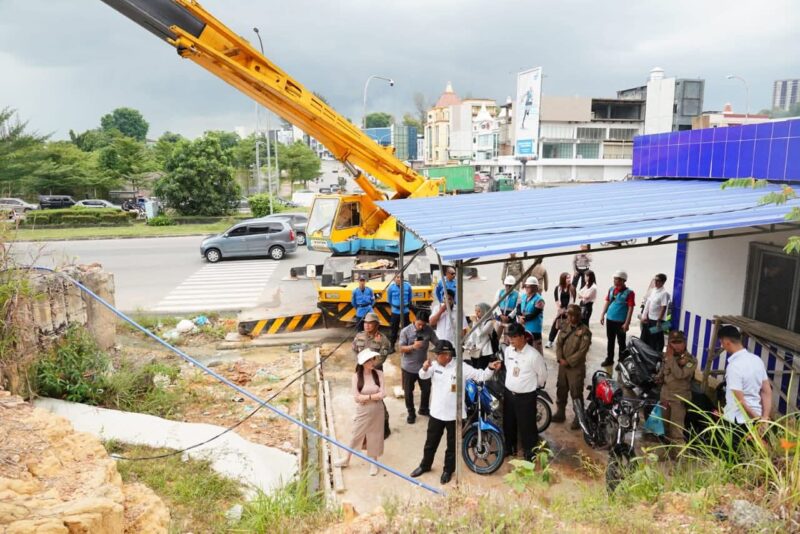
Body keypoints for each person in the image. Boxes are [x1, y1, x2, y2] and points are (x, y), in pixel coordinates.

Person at [410, 340, 500, 484]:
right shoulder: (434, 365)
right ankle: (425, 465)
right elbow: (423, 376)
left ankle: (448, 471)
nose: (435, 357)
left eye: (438, 354)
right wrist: (425, 368)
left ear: (447, 355)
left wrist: (489, 367)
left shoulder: (461, 367)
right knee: (430, 443)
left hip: (454, 415)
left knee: (452, 446)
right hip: (437, 413)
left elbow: (481, 376)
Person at [334, 349, 386, 476]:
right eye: (369, 360)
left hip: (377, 410)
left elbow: (384, 393)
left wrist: (367, 398)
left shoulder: (379, 374)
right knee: (356, 434)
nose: (372, 362)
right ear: (363, 363)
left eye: (373, 359)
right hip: (363, 411)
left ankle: (374, 462)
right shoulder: (356, 376)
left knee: (375, 435)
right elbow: (357, 398)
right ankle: (346, 459)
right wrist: (373, 396)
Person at [720, 325, 772, 450]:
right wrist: (764, 418)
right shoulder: (757, 360)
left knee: (733, 459)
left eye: (721, 343)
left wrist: (757, 420)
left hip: (737, 422)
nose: (722, 347)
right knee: (753, 458)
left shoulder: (734, 366)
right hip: (757, 417)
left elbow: (740, 401)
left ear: (727, 342)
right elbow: (767, 391)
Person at [501, 323, 548, 460]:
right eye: (510, 337)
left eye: (514, 337)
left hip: (526, 397)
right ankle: (510, 448)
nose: (511, 340)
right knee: (508, 424)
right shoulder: (508, 351)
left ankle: (530, 453)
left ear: (523, 337)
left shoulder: (534, 355)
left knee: (527, 427)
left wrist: (531, 386)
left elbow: (542, 376)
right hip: (509, 394)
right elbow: (508, 366)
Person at [352, 312, 392, 438]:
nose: (367, 325)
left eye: (370, 323)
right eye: (365, 323)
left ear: (377, 325)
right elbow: (354, 349)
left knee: (377, 399)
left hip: (374, 375)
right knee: (361, 399)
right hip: (360, 373)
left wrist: (368, 366)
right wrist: (360, 364)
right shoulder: (359, 336)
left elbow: (382, 358)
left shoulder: (383, 340)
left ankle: (384, 426)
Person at [553, 304, 591, 429]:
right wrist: (559, 358)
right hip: (563, 365)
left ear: (578, 316)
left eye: (572, 315)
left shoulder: (585, 331)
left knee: (576, 392)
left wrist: (568, 361)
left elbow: (582, 351)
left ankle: (578, 417)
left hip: (575, 367)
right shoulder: (565, 326)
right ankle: (560, 412)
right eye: (568, 315)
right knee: (561, 389)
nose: (569, 317)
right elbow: (558, 343)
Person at [655, 330, 697, 443]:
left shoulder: (691, 360)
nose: (676, 345)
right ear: (669, 344)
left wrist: (670, 359)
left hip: (679, 399)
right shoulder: (668, 356)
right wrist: (659, 377)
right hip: (665, 396)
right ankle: (666, 453)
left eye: (679, 342)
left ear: (685, 343)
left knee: (676, 430)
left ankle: (678, 456)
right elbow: (664, 370)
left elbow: (680, 375)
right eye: (673, 342)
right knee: (664, 427)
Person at [397, 310, 437, 424]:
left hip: (423, 367)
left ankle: (423, 409)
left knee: (427, 389)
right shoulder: (406, 331)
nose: (421, 327)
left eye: (423, 325)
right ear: (414, 320)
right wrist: (413, 346)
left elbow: (436, 341)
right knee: (408, 392)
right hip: (408, 368)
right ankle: (411, 412)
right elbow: (401, 349)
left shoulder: (428, 330)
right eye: (419, 324)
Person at [599, 270, 635, 367]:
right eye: (614, 279)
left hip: (621, 322)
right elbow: (607, 301)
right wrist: (603, 314)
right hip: (610, 319)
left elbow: (631, 308)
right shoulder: (611, 289)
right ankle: (609, 359)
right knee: (610, 340)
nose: (615, 281)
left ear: (623, 280)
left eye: (618, 279)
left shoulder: (629, 293)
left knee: (621, 342)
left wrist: (627, 323)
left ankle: (621, 362)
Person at [640, 273, 669, 353]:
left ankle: (656, 357)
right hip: (649, 319)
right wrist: (644, 316)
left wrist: (659, 321)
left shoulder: (664, 293)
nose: (656, 282)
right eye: (655, 280)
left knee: (656, 341)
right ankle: (645, 355)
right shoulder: (653, 290)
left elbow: (664, 307)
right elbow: (648, 303)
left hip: (657, 321)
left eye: (658, 281)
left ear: (663, 282)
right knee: (645, 338)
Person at [545, 272, 576, 349]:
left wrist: (568, 310)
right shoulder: (558, 288)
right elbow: (556, 300)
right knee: (556, 325)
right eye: (567, 278)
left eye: (569, 278)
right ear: (563, 279)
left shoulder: (572, 288)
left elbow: (573, 300)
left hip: (569, 310)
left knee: (569, 326)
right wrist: (560, 309)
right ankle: (550, 341)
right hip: (561, 310)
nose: (569, 279)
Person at [517, 276, 545, 354]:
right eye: (526, 286)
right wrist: (519, 316)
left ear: (535, 288)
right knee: (525, 349)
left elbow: (535, 314)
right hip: (523, 327)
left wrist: (523, 319)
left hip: (534, 328)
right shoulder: (523, 296)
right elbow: (518, 308)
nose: (526, 288)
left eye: (529, 287)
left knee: (537, 351)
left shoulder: (539, 300)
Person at [464, 303, 494, 369]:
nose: (476, 313)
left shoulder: (489, 322)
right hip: (476, 350)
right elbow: (473, 334)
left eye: (479, 311)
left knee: (481, 369)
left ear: (485, 311)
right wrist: (468, 344)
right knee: (474, 368)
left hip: (485, 351)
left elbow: (480, 334)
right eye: (475, 311)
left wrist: (475, 322)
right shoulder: (478, 321)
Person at [387, 273, 412, 347]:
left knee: (407, 329)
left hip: (405, 311)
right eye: (397, 277)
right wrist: (395, 306)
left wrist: (405, 304)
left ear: (403, 278)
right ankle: (392, 346)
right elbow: (389, 300)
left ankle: (407, 345)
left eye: (400, 277)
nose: (399, 279)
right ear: (394, 278)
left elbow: (410, 297)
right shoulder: (391, 288)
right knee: (394, 329)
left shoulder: (407, 286)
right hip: (395, 312)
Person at [494, 275, 519, 342]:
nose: (508, 287)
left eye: (510, 285)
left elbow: (517, 308)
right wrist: (500, 315)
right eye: (506, 285)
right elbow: (495, 304)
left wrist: (509, 317)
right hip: (499, 319)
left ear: (513, 285)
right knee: (495, 339)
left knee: (508, 341)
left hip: (510, 321)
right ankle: (495, 351)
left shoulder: (517, 294)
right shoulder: (500, 292)